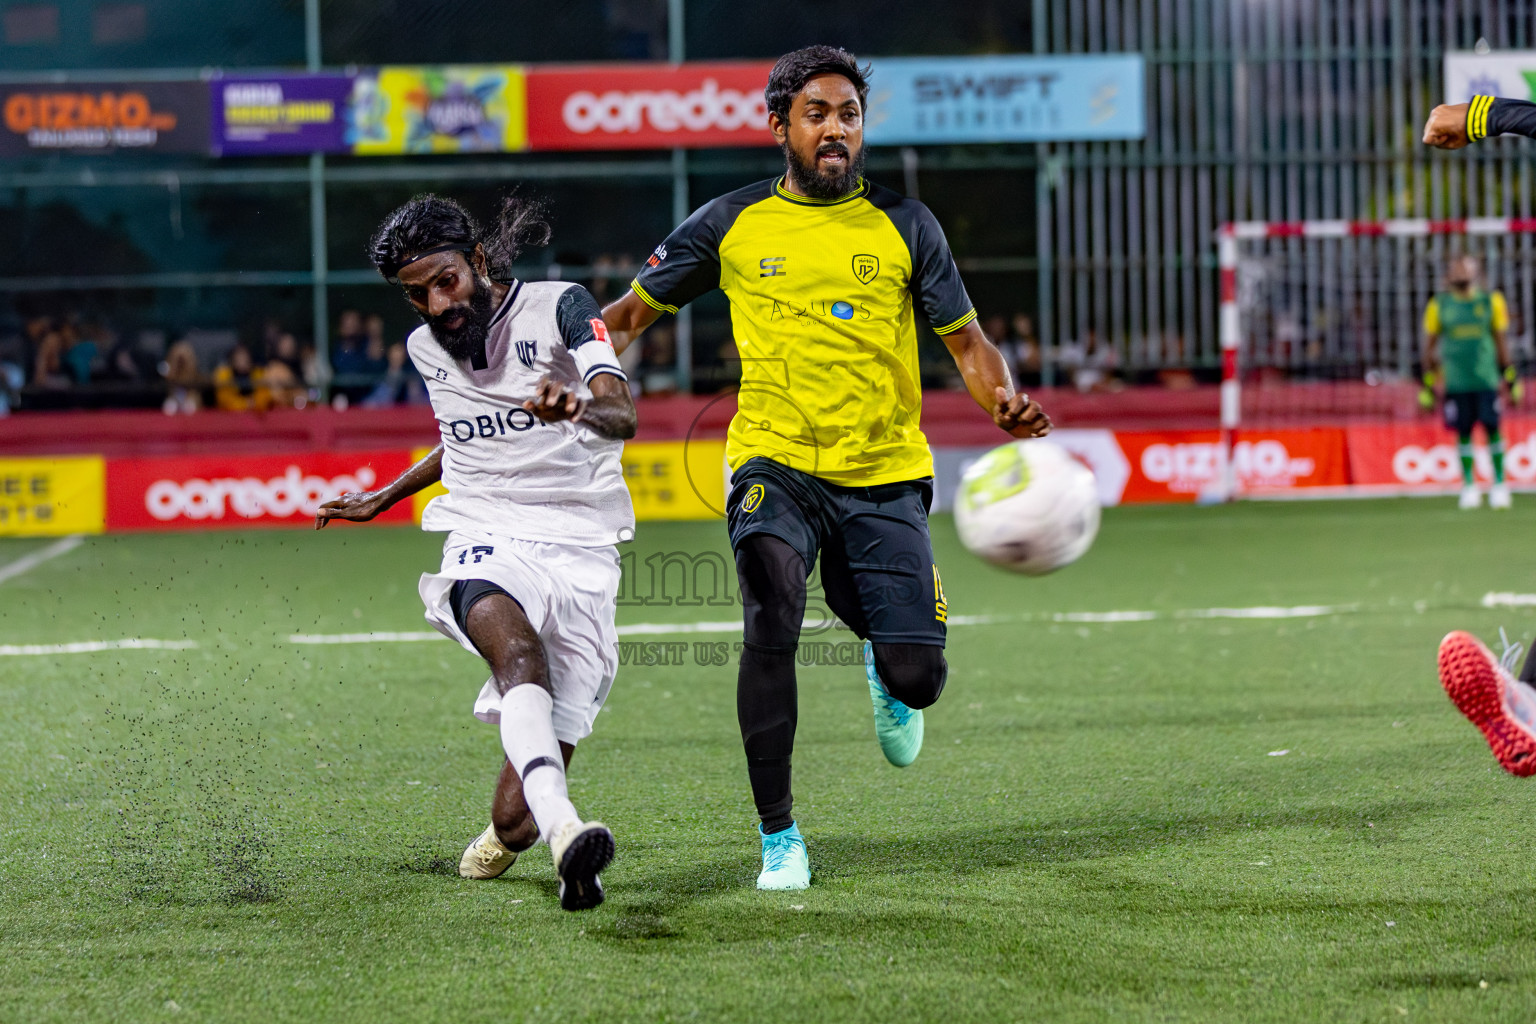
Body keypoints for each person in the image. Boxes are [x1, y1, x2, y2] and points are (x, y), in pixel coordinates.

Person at [601, 45, 1052, 891]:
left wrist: (1003, 400)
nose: (837, 129)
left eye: (848, 114)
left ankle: (889, 662)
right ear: (780, 127)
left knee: (920, 679)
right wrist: (574, 368)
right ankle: (780, 838)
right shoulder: (730, 224)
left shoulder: (908, 225)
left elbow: (968, 342)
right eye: (818, 114)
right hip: (776, 461)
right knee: (770, 600)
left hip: (884, 472)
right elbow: (626, 314)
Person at [315, 193, 636, 912]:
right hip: (487, 533)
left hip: (582, 547)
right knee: (517, 656)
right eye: (417, 294)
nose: (436, 304)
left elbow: (623, 412)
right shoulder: (426, 349)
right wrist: (384, 496)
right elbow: (463, 437)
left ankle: (527, 829)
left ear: (479, 262)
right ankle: (569, 835)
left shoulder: (560, 307)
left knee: (509, 823)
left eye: (446, 282)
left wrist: (577, 404)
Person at [1420, 255, 1514, 509]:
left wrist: (1510, 376)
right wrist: (1427, 383)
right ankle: (1469, 485)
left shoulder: (1490, 302)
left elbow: (1501, 340)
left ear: (1477, 272)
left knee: (1493, 428)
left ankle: (1499, 484)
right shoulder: (1439, 305)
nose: (1460, 271)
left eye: (1466, 266)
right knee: (1463, 432)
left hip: (1486, 379)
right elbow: (1429, 348)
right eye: (1455, 266)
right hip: (1456, 382)